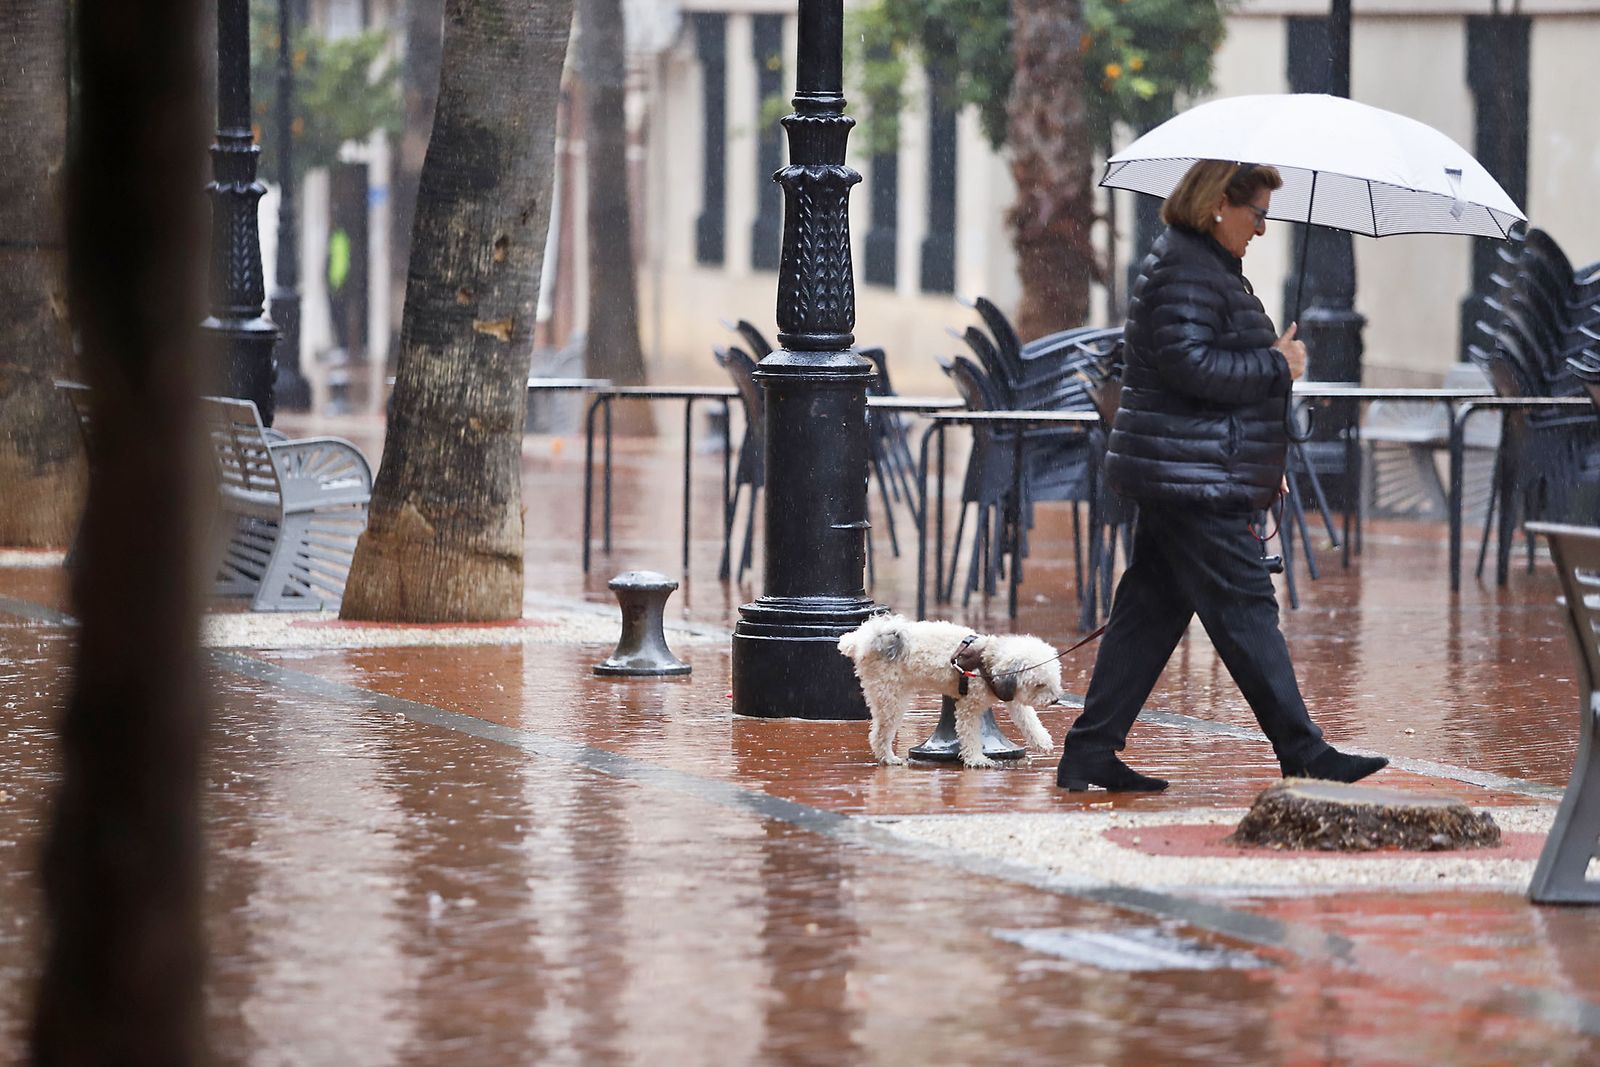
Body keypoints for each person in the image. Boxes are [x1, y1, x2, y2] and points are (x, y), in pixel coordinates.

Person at [1057, 159, 1387, 793]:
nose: (1262, 229)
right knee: (1246, 607)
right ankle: (1303, 750)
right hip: (1193, 480)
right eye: (1256, 213)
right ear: (1217, 205)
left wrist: (1269, 458)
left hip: (1195, 471)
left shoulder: (1204, 268)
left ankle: (1091, 751)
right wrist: (1276, 365)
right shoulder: (1186, 270)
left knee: (1150, 610)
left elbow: (1210, 376)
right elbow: (1192, 370)